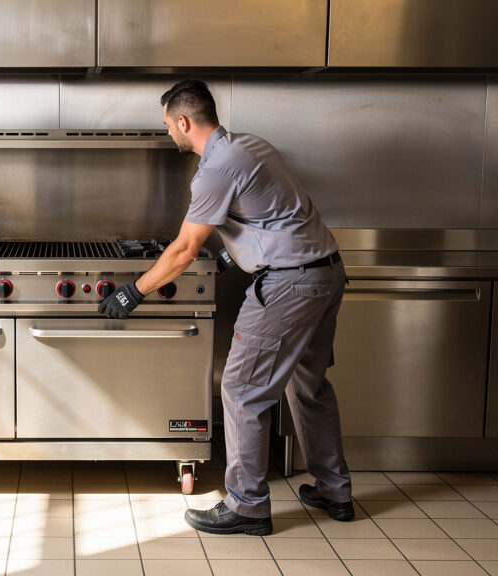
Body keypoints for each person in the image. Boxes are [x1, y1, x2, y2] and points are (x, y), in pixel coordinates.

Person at [99, 80, 353, 535]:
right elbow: (272, 214)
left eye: (168, 126)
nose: (169, 134)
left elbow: (181, 249)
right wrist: (230, 254)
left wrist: (134, 291)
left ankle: (248, 507)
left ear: (183, 121)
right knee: (309, 386)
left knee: (240, 390)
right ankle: (335, 490)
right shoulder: (252, 146)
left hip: (288, 286)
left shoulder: (215, 169)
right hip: (326, 273)